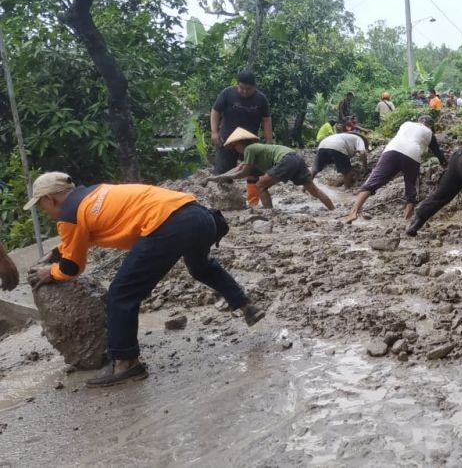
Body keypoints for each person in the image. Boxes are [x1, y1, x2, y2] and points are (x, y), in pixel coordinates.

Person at [23, 172, 265, 387]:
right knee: (200, 267)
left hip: (168, 226)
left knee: (121, 293)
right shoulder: (94, 194)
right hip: (200, 216)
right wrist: (56, 253)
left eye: (42, 206)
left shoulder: (68, 215)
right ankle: (246, 305)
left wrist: (50, 273)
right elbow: (79, 239)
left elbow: (72, 267)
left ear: (49, 199)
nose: (45, 211)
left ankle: (126, 362)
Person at [345, 115, 448, 223]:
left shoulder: (406, 124)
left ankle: (353, 213)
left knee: (371, 183)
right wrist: (445, 164)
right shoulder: (429, 132)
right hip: (412, 154)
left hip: (392, 149)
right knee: (411, 188)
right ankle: (406, 220)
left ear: (419, 121)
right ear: (430, 125)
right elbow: (437, 152)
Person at [209, 128, 335, 210]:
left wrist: (222, 177)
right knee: (314, 191)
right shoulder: (255, 148)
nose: (235, 149)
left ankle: (269, 212)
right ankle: (333, 210)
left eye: (234, 146)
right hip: (296, 157)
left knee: (259, 185)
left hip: (285, 160)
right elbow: (239, 168)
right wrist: (218, 177)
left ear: (240, 143)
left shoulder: (249, 149)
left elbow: (244, 172)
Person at [210, 70, 272, 205]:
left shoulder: (261, 99)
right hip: (227, 141)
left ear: (254, 87)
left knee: (255, 172)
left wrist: (268, 141)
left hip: (250, 142)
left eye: (247, 89)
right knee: (223, 172)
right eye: (241, 88)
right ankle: (225, 204)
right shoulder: (227, 93)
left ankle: (253, 203)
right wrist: (214, 132)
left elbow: (266, 120)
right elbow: (215, 111)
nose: (243, 91)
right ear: (237, 85)